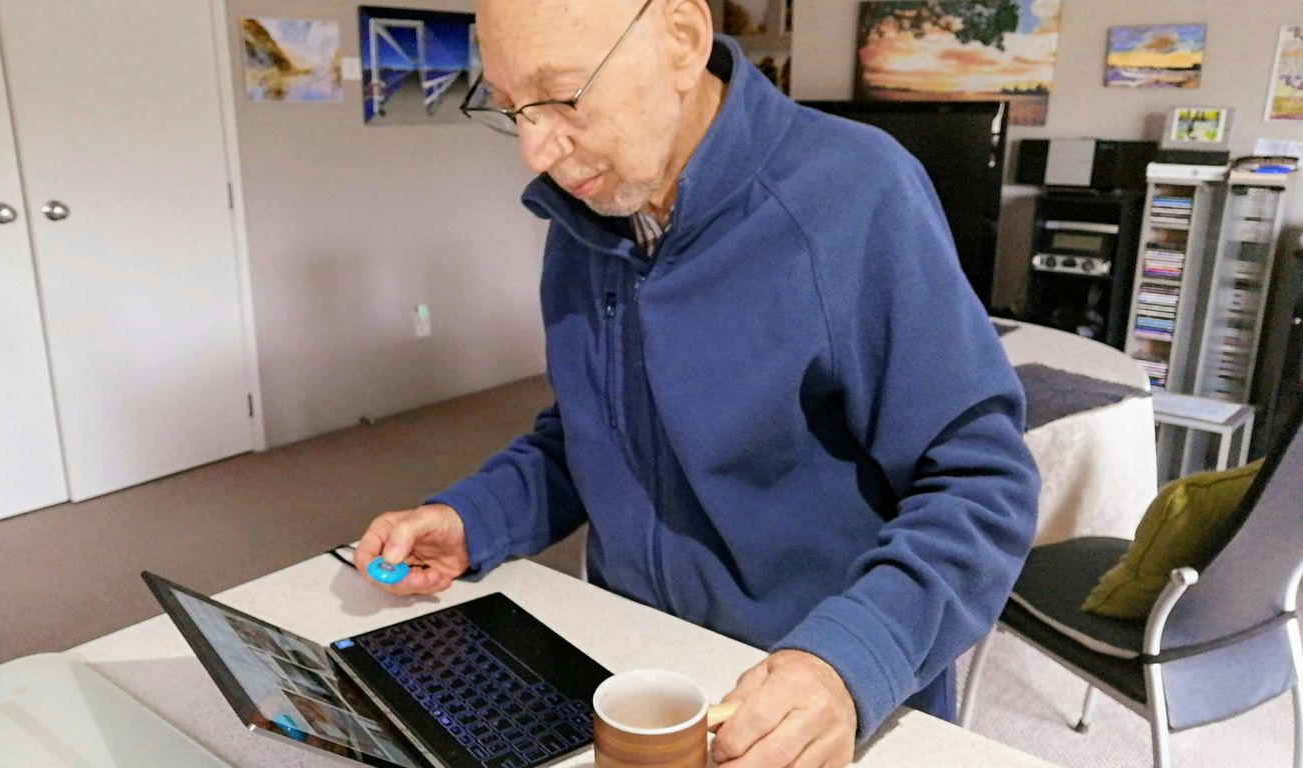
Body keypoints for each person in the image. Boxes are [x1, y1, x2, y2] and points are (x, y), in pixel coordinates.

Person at [355, 0, 1040, 765]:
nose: (535, 150)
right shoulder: (587, 218)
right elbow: (593, 432)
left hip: (807, 694)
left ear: (681, 40)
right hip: (635, 672)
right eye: (511, 107)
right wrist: (472, 517)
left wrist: (847, 663)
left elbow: (983, 485)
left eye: (561, 96)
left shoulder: (857, 192)